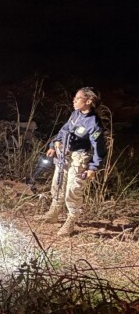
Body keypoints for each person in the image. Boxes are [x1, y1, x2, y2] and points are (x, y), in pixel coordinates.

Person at [35, 87, 106, 236]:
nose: (74, 101)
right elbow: (64, 130)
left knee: (73, 189)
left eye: (78, 98)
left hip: (80, 158)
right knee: (58, 183)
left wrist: (93, 167)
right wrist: (54, 144)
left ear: (88, 101)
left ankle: (71, 222)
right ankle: (53, 213)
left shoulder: (94, 124)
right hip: (64, 154)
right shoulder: (75, 114)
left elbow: (98, 147)